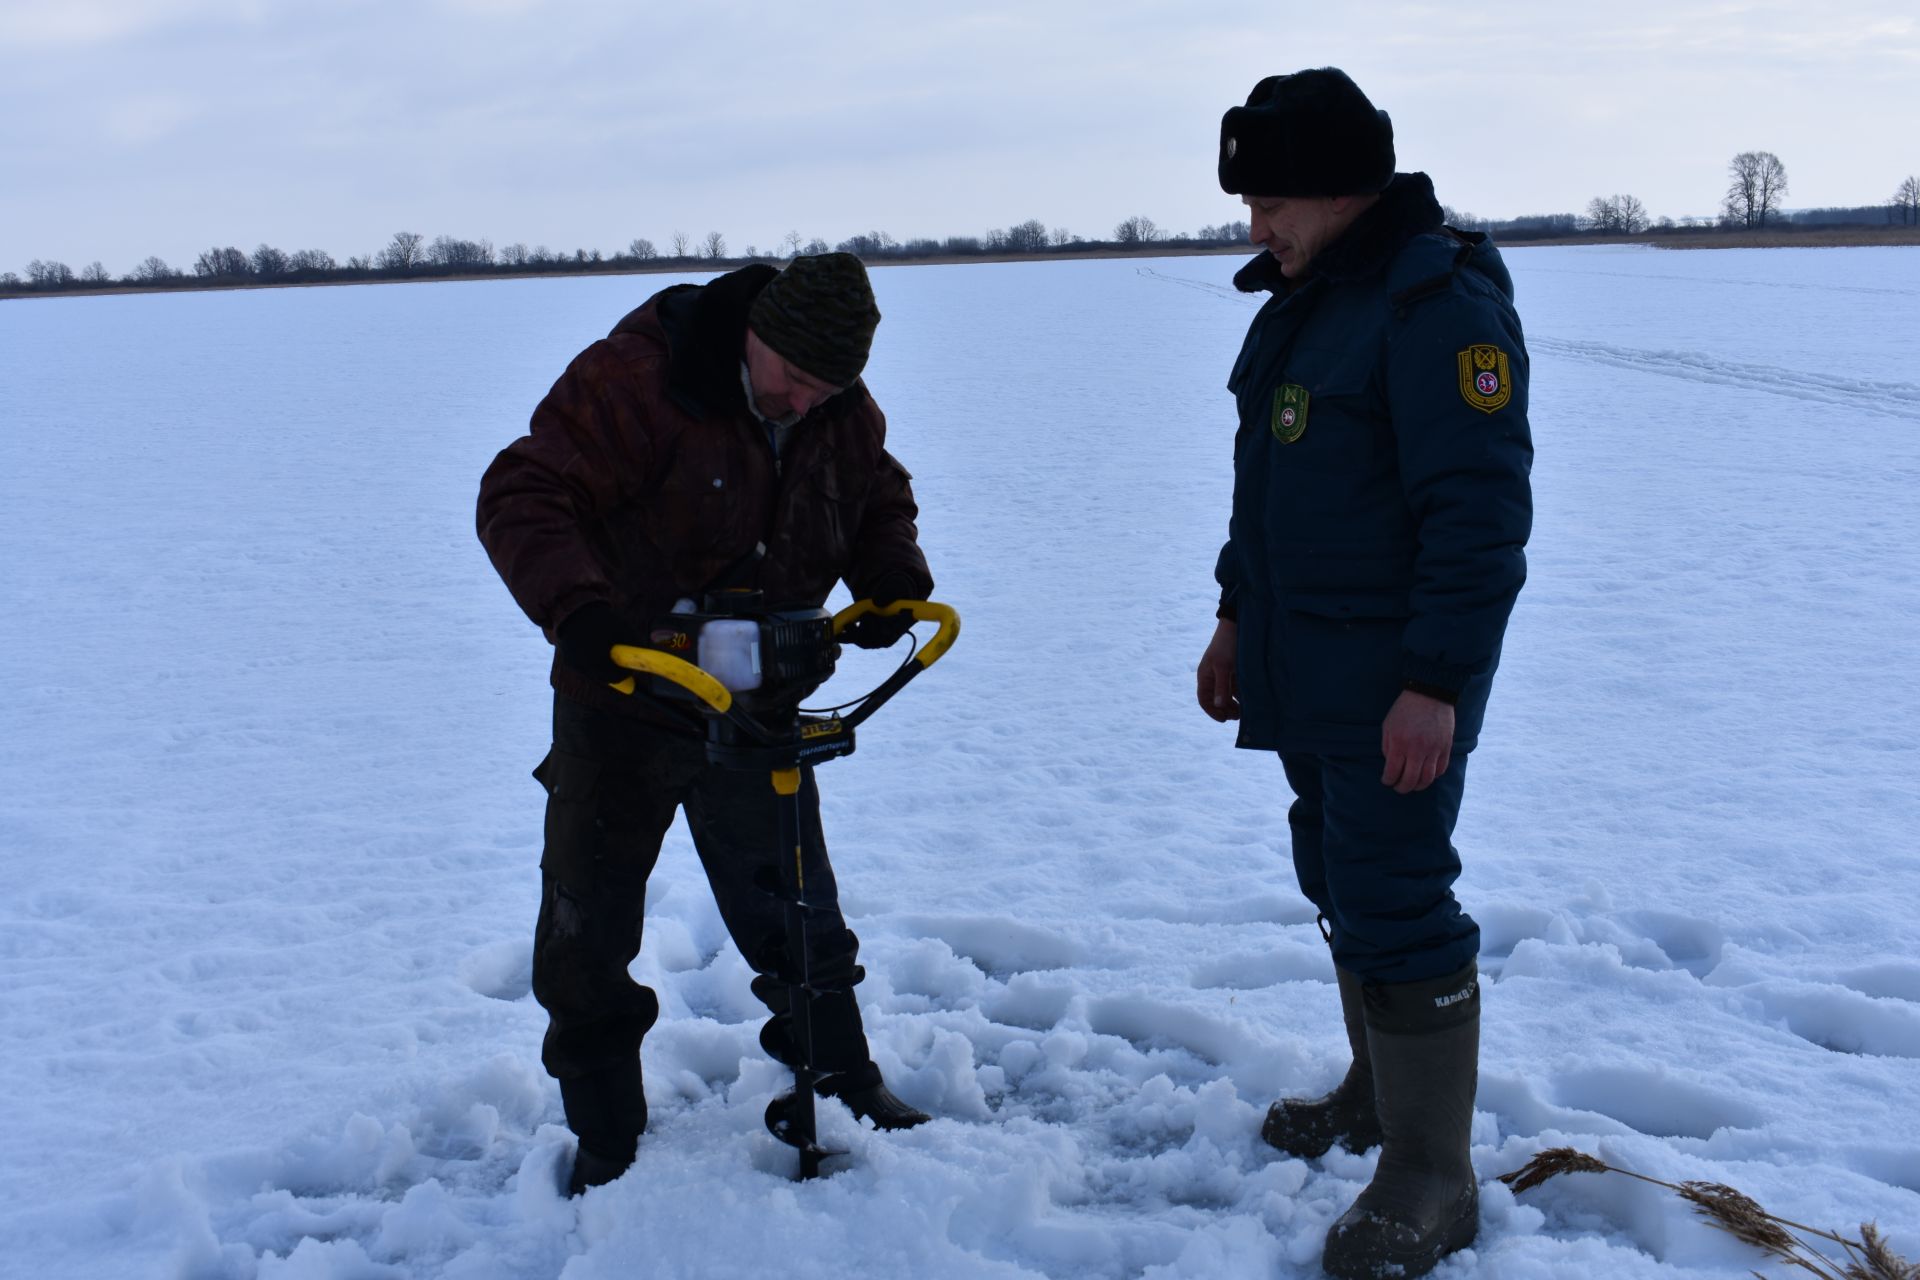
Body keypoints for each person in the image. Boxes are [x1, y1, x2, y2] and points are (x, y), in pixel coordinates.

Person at [477, 252, 935, 1196]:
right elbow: (522, 493)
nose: (804, 402)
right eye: (793, 380)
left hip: (756, 706)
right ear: (753, 336)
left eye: (827, 388)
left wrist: (891, 578)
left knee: (799, 911)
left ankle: (842, 1084)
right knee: (585, 933)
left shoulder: (838, 408)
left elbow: (877, 498)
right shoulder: (640, 379)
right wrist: (583, 615)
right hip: (624, 699)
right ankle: (605, 1139)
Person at [1197, 69, 1533, 1278]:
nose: (1256, 227)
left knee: (1397, 892)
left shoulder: (1433, 304)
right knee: (1335, 871)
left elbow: (1479, 515)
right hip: (1307, 664)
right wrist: (1236, 617)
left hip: (1398, 680)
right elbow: (1267, 488)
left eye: (1271, 200)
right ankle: (1377, 1091)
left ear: (1345, 186)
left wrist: (1437, 681)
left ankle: (1432, 1172)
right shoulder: (1305, 297)